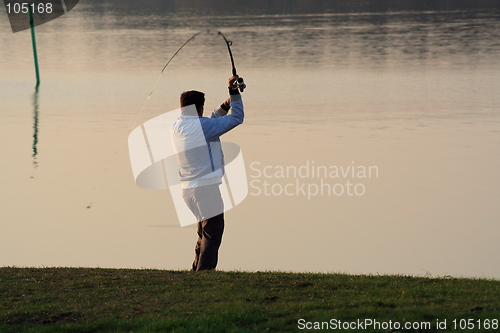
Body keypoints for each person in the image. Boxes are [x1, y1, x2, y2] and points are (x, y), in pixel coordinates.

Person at [170, 75, 244, 271]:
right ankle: (204, 275)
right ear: (199, 108)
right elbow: (237, 118)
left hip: (188, 192)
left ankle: (196, 270)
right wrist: (234, 93)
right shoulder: (203, 127)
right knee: (213, 233)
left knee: (204, 234)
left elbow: (209, 122)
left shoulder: (177, 126)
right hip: (206, 191)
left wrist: (226, 104)